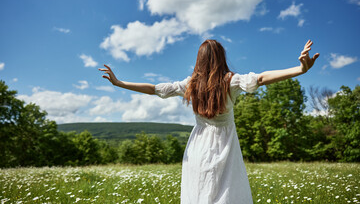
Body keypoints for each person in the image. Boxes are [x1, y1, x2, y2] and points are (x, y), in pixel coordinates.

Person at [99, 39, 319, 204]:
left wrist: (120, 83)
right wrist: (299, 69)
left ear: (200, 59)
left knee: (200, 192)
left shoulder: (190, 84)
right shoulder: (230, 81)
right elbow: (260, 78)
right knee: (226, 194)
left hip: (198, 145)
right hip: (224, 146)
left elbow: (155, 89)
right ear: (221, 58)